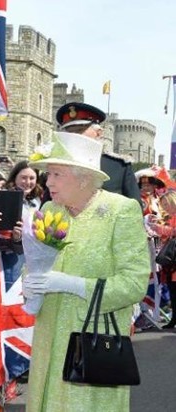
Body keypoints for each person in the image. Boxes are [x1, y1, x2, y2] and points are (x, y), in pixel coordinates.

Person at [22, 131, 150, 411]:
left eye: (56, 174)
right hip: (48, 340)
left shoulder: (121, 211)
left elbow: (134, 283)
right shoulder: (49, 208)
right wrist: (29, 284)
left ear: (82, 176)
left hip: (93, 344)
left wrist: (73, 285)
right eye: (48, 174)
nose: (48, 181)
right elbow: (33, 263)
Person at [55, 102, 141, 203]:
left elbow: (135, 210)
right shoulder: (57, 167)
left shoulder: (119, 167)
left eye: (79, 131)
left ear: (99, 133)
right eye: (70, 132)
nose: (74, 136)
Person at [147, 191, 176, 329]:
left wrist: (159, 228)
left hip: (173, 260)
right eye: (162, 204)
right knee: (172, 290)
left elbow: (173, 232)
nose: (164, 207)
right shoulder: (170, 217)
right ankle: (174, 319)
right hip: (171, 261)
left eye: (166, 204)